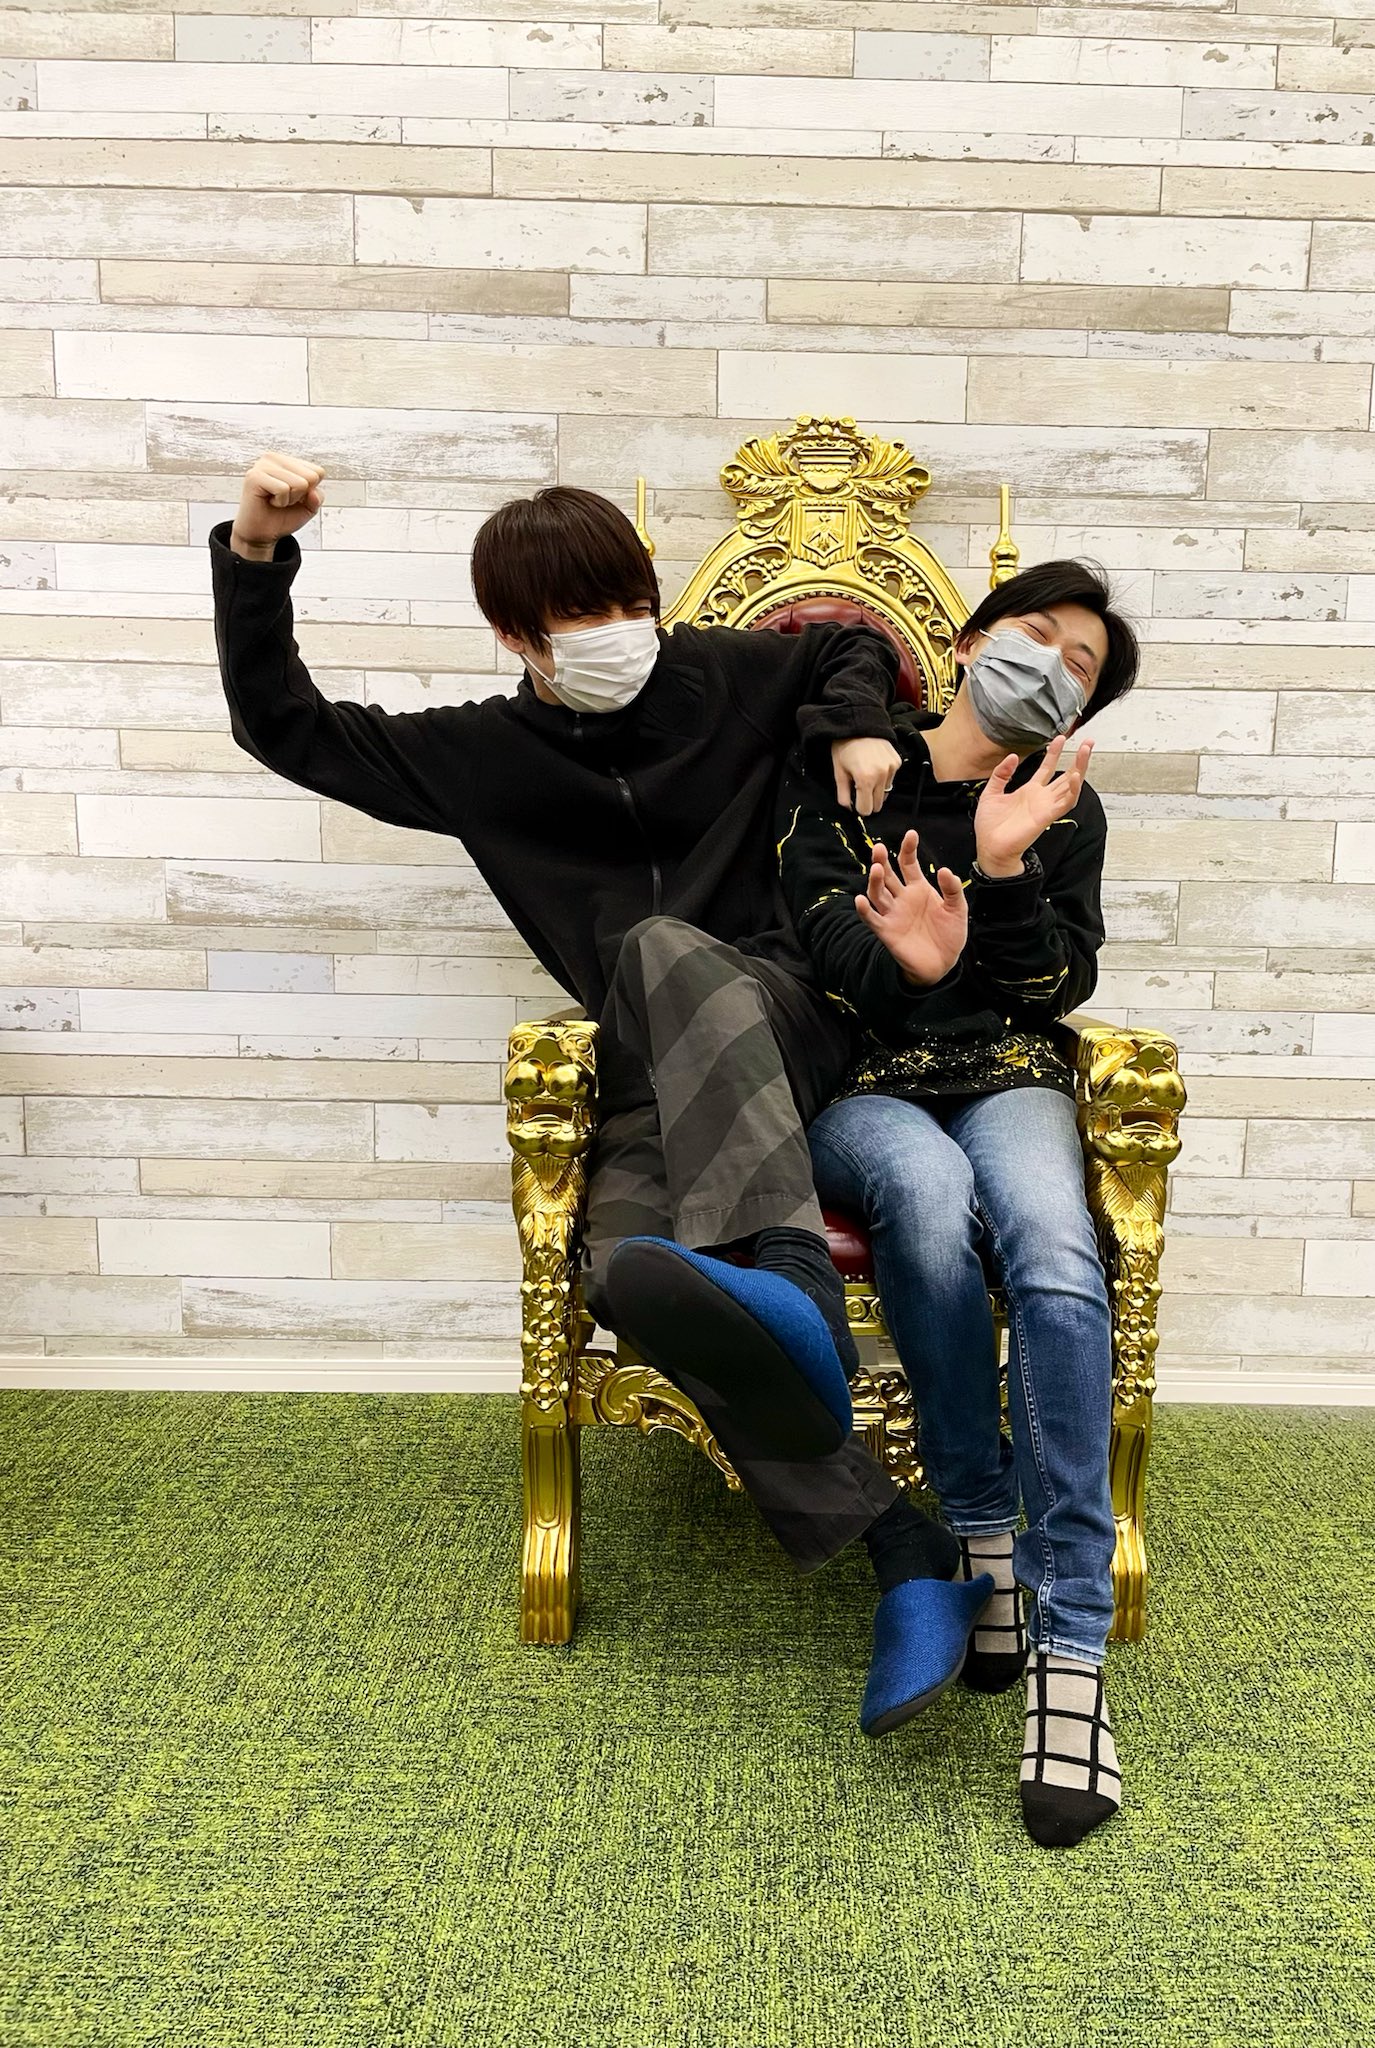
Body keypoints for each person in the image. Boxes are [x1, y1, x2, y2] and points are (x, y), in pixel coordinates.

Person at [211, 454, 995, 1733]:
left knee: (659, 944)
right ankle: (903, 1550)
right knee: (632, 1272)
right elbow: (282, 725)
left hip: (792, 1017)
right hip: (648, 1079)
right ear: (515, 634)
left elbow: (846, 641)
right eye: (581, 615)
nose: (620, 629)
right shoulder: (483, 754)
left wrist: (854, 719)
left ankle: (794, 1286)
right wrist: (256, 551)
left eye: (631, 602)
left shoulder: (729, 676)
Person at [776, 561, 1141, 1845]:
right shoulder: (849, 774)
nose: (1051, 665)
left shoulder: (1058, 809)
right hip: (864, 1081)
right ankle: (979, 1524)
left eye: (1079, 668)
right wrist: (917, 963)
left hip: (1009, 1074)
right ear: (974, 638)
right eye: (1037, 635)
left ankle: (1070, 1636)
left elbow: (1055, 989)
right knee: (925, 1197)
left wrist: (1002, 867)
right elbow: (826, 962)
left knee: (1054, 1248)